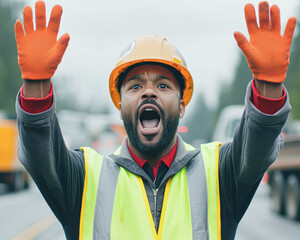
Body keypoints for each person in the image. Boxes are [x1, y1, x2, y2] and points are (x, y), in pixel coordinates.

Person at [14, 1, 296, 239]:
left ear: (182, 105)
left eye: (163, 85)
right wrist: (36, 86)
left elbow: (256, 148)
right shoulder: (85, 178)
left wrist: (268, 86)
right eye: (135, 86)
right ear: (121, 104)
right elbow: (41, 157)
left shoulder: (220, 174)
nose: (149, 91)